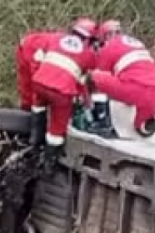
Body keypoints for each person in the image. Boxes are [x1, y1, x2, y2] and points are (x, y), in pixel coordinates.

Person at [29, 17, 98, 156]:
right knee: (57, 128)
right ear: (89, 39)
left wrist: (38, 76)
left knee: (38, 106)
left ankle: (34, 142)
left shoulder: (55, 38)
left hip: (39, 83)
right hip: (61, 93)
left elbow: (36, 59)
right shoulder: (89, 55)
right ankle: (50, 161)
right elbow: (82, 83)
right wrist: (87, 103)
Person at [89, 20, 155, 139]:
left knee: (95, 77)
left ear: (105, 36)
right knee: (140, 127)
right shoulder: (138, 44)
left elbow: (103, 76)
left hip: (135, 88)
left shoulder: (109, 46)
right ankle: (153, 124)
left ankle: (102, 123)